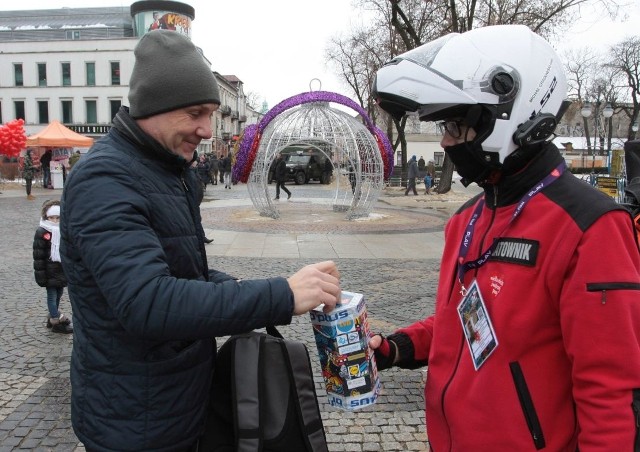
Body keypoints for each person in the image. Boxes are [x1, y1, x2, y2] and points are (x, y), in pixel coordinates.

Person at [59, 30, 341, 452]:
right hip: (138, 424)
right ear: (154, 106)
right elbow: (149, 302)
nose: (207, 130)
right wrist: (279, 296)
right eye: (195, 113)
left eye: (211, 113)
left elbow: (182, 270)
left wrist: (245, 289)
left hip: (178, 404)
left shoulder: (166, 170)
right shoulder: (106, 180)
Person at [371, 24, 640, 450]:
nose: (445, 140)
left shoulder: (590, 226)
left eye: (456, 126)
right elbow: (468, 321)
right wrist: (397, 347)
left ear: (507, 117)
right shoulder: (467, 219)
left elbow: (609, 391)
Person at [33, 200, 73, 334]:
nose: (55, 221)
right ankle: (56, 320)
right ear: (46, 217)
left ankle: (52, 315)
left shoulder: (63, 230)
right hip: (49, 272)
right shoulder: (42, 231)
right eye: (51, 218)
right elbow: (39, 257)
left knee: (59, 293)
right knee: (51, 295)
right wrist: (41, 275)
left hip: (60, 270)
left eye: (57, 218)